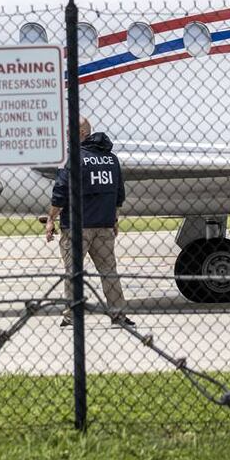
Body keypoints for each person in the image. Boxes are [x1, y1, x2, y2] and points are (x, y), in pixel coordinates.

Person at [45, 117, 132, 327]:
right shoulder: (111, 160)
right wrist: (114, 219)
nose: (67, 137)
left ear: (82, 133)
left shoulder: (75, 159)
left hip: (77, 227)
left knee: (73, 272)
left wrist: (50, 219)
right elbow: (119, 193)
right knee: (109, 271)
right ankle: (118, 314)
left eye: (70, 132)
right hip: (104, 225)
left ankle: (72, 316)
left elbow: (61, 192)